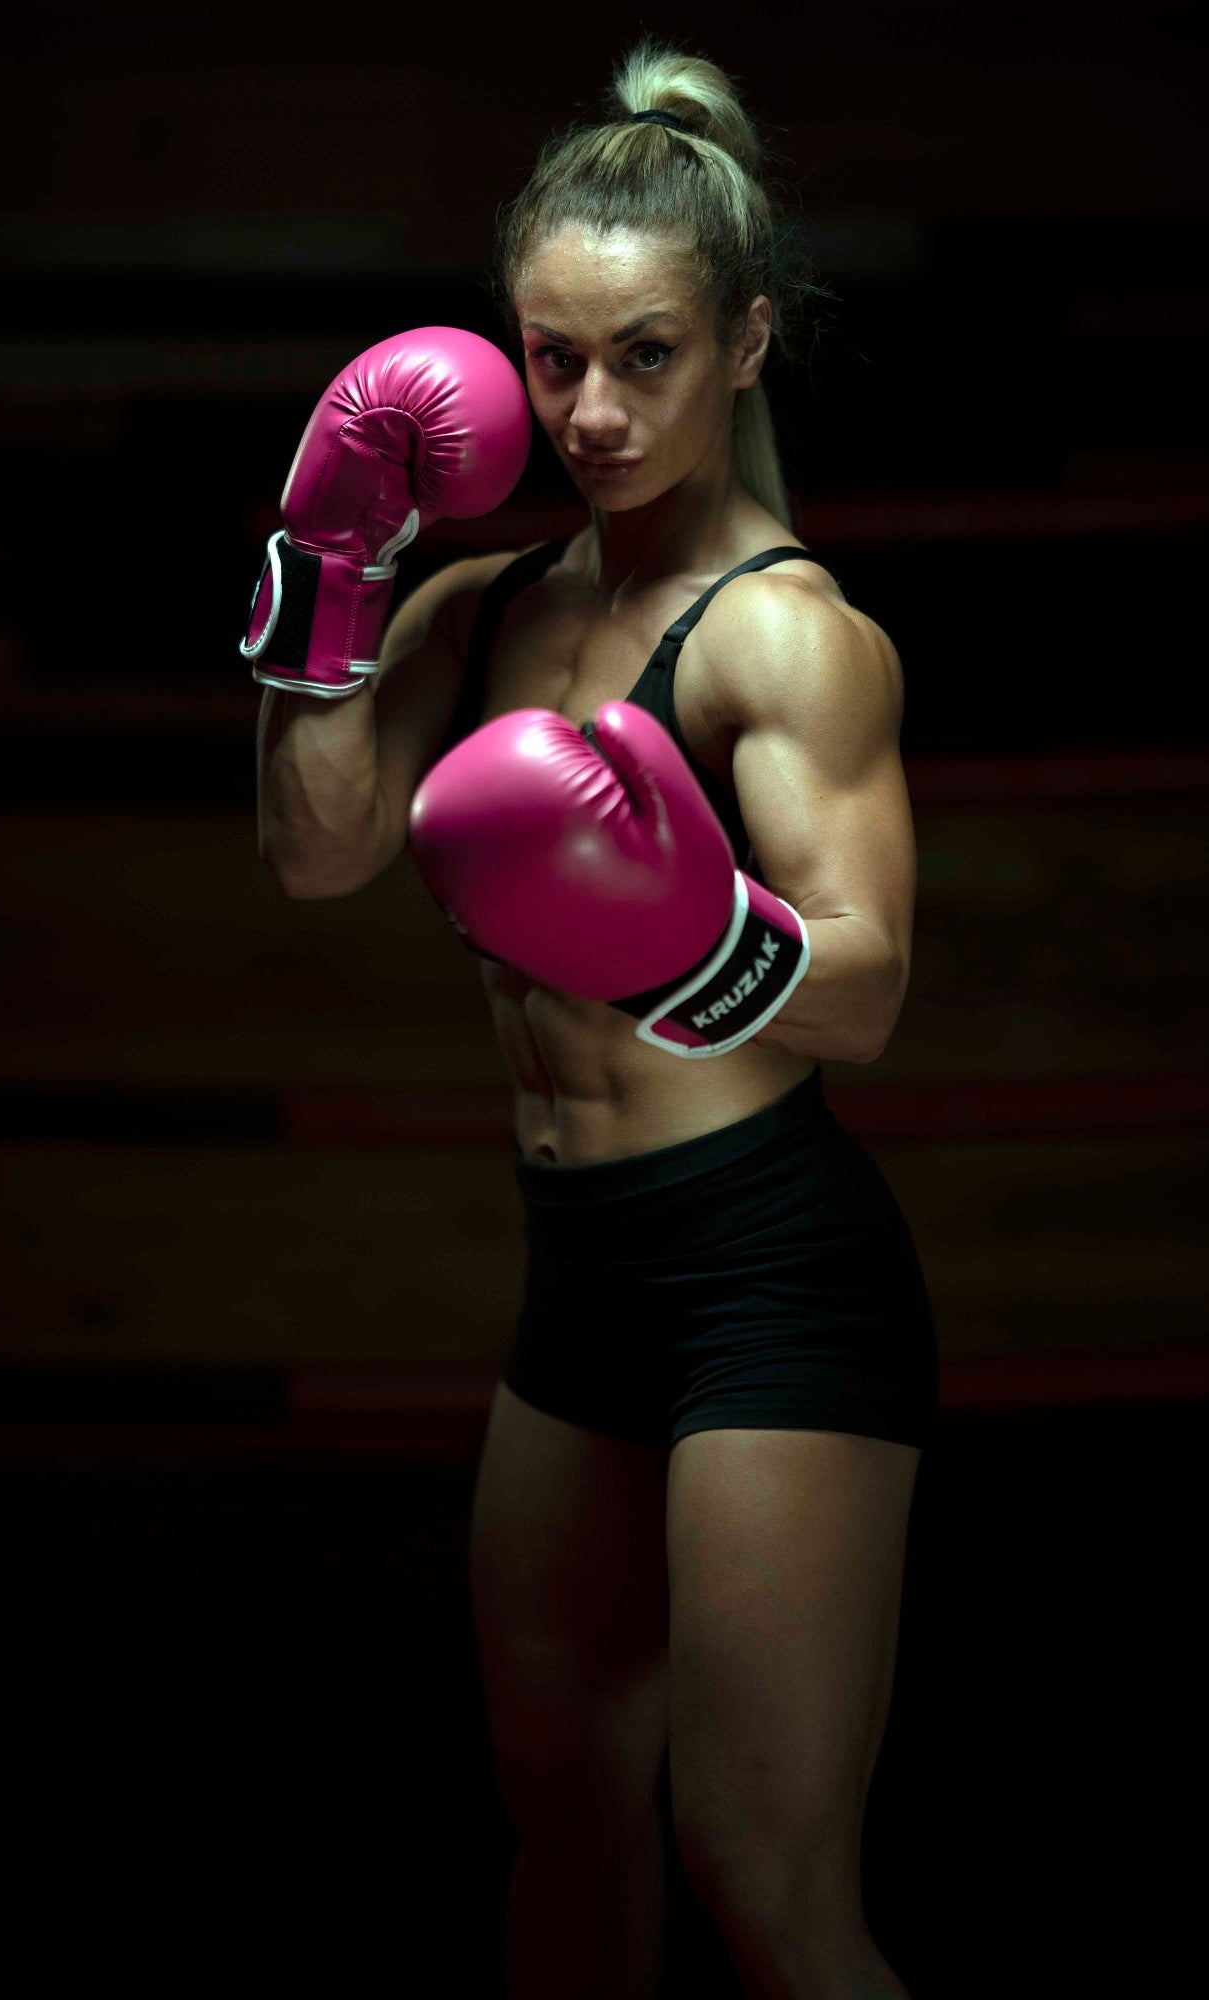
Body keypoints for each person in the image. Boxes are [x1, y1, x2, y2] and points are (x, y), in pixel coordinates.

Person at [253, 38, 937, 2000]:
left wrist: (678, 931)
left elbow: (871, 980)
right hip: (581, 1281)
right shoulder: (477, 604)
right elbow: (314, 857)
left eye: (641, 354)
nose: (588, 408)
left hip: (768, 1270)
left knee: (762, 1877)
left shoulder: (786, 634)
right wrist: (331, 579)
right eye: (549, 356)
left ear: (741, 340)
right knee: (560, 1822)